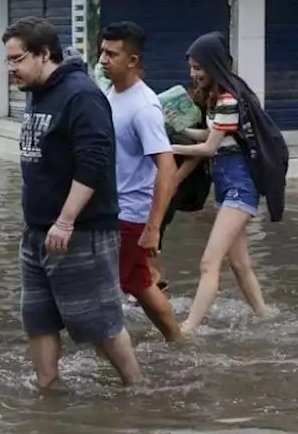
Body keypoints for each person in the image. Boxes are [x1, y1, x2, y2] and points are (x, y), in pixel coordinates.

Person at [3, 16, 141, 387]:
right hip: (37, 233)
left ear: (44, 54)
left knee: (100, 324)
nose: (10, 68)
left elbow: (94, 163)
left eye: (16, 59)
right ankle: (46, 392)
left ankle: (138, 390)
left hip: (81, 232)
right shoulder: (37, 92)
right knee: (38, 318)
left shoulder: (81, 96)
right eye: (9, 60)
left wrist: (65, 220)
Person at [170, 33, 270, 332]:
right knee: (238, 264)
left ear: (214, 66)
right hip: (228, 188)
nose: (194, 74)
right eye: (191, 67)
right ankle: (266, 318)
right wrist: (181, 128)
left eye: (199, 68)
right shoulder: (220, 100)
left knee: (208, 262)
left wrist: (169, 148)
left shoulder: (227, 99)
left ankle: (188, 328)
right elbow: (214, 136)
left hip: (239, 187)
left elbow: (209, 149)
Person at [98, 22, 182, 341]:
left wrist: (153, 228)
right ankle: (178, 341)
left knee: (99, 294)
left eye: (111, 53)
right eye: (102, 51)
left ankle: (113, 365)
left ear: (132, 60)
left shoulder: (144, 107)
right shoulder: (111, 94)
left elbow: (167, 167)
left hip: (128, 216)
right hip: (112, 209)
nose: (103, 59)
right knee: (141, 284)